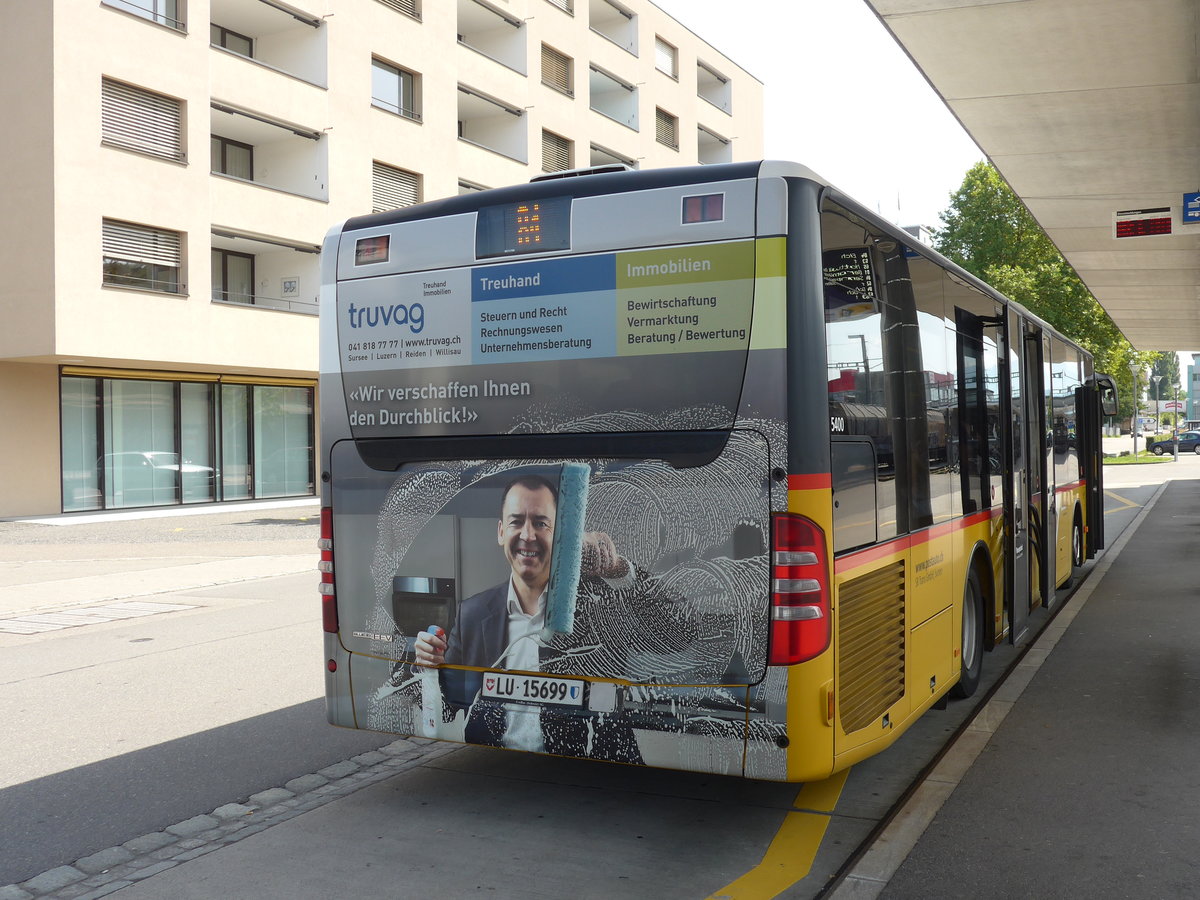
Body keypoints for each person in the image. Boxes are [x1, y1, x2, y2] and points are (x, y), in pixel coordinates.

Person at [412, 473, 641, 760]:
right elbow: (448, 706)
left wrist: (620, 570)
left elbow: (679, 632)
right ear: (500, 532)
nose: (528, 535)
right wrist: (429, 666)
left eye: (541, 523)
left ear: (560, 536)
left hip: (595, 783)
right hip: (500, 777)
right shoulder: (472, 612)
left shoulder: (601, 603)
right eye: (516, 521)